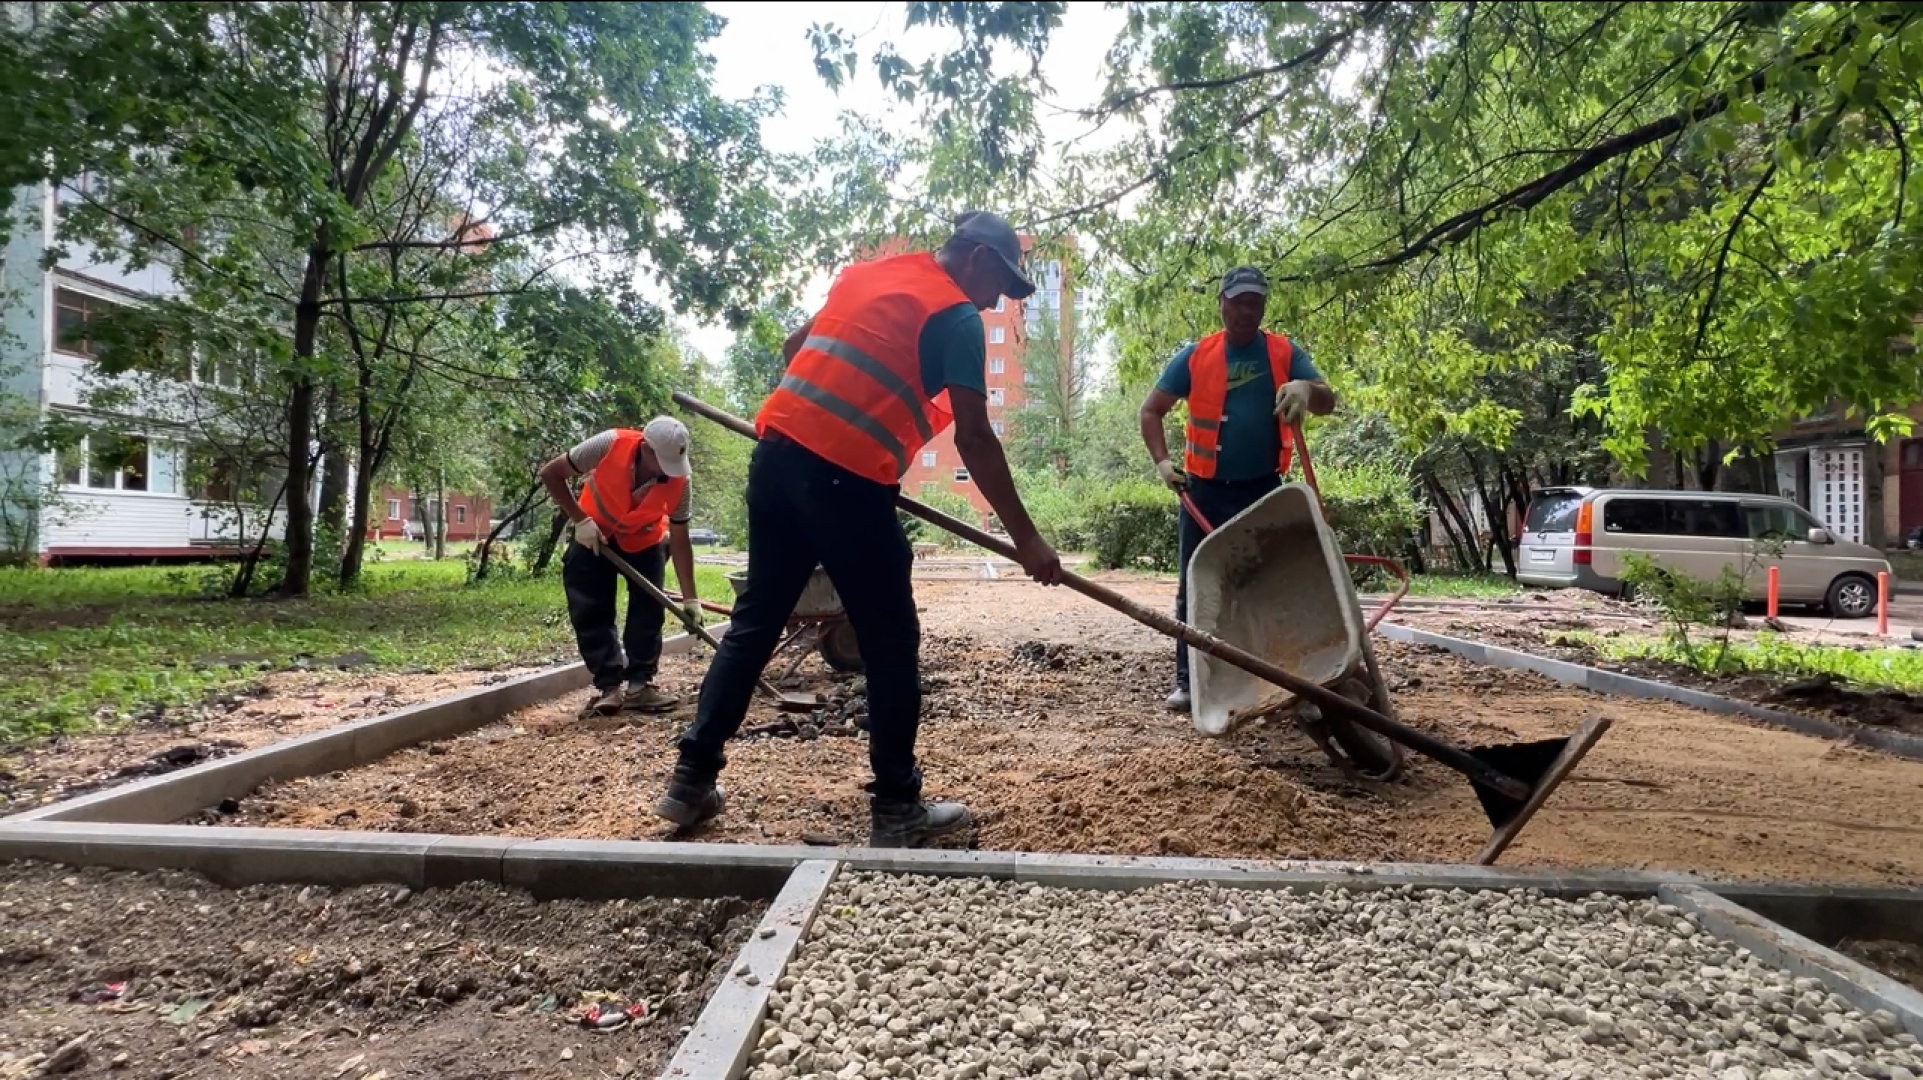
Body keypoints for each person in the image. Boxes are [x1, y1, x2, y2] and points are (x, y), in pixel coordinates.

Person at [654, 210, 1065, 848]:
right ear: (979, 258)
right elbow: (978, 439)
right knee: (890, 640)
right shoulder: (956, 316)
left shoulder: (871, 275)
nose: (996, 301)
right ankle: (898, 806)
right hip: (846, 481)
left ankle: (690, 782)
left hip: (778, 458)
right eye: (1001, 285)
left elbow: (796, 351)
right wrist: (1027, 541)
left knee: (755, 623)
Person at [1138, 265, 1337, 714]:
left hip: (1263, 491)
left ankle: (1291, 684)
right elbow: (1151, 411)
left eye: (1255, 302)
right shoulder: (1194, 356)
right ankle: (1191, 683)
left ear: (1263, 306)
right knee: (1198, 588)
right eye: (1239, 301)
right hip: (1203, 492)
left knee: (1275, 585)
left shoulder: (1284, 353)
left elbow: (1328, 399)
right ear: (1222, 303)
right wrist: (1164, 464)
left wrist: (1307, 389)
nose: (1247, 310)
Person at [538, 416, 705, 717]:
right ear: (646, 448)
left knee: (648, 610)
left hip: (644, 542)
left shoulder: (682, 481)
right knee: (591, 609)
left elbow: (680, 541)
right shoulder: (609, 443)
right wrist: (580, 519)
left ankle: (640, 686)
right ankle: (609, 687)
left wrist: (691, 599)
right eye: (661, 462)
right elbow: (551, 473)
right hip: (593, 535)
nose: (667, 471)